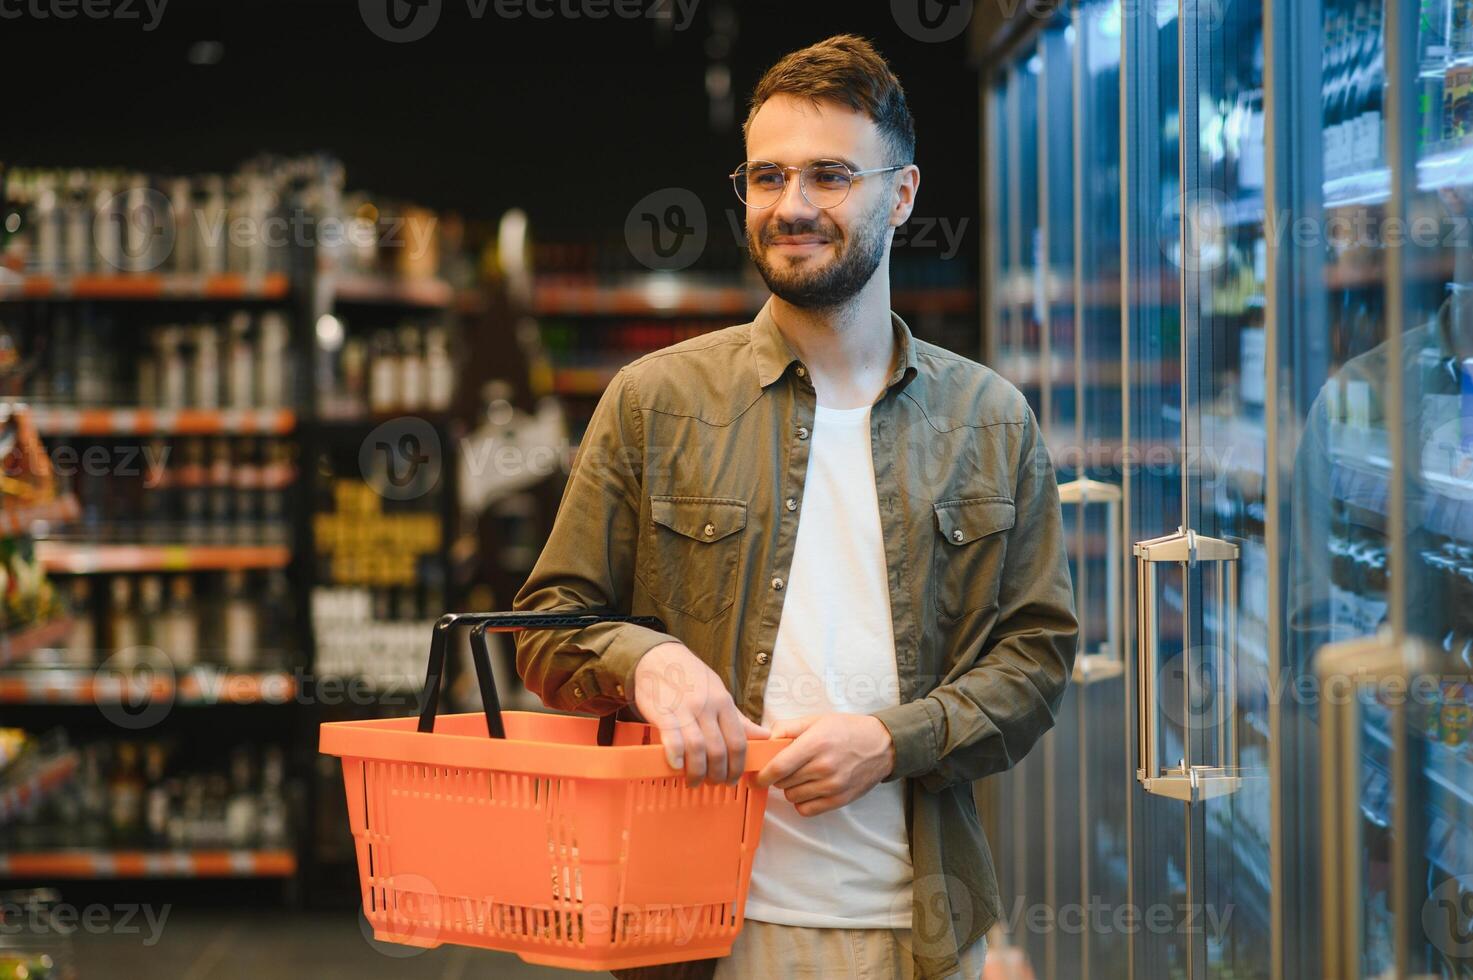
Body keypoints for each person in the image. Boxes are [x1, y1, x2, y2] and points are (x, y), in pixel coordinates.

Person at [514, 34, 1077, 980]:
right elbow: (545, 628)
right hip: (696, 927)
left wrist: (891, 741)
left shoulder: (988, 419)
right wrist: (645, 660)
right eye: (767, 177)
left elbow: (1035, 660)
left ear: (899, 195)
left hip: (922, 930)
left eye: (828, 176)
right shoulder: (655, 401)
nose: (793, 207)